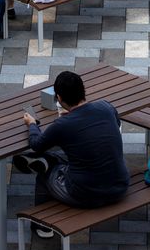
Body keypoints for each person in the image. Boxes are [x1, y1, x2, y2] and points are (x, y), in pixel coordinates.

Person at [13, 71, 130, 237]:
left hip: (86, 194)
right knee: (69, 156)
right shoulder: (106, 107)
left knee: (43, 175)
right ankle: (49, 161)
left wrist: (32, 124)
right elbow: (115, 123)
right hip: (120, 186)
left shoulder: (63, 124)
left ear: (59, 98)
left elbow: (36, 144)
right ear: (83, 90)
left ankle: (43, 228)